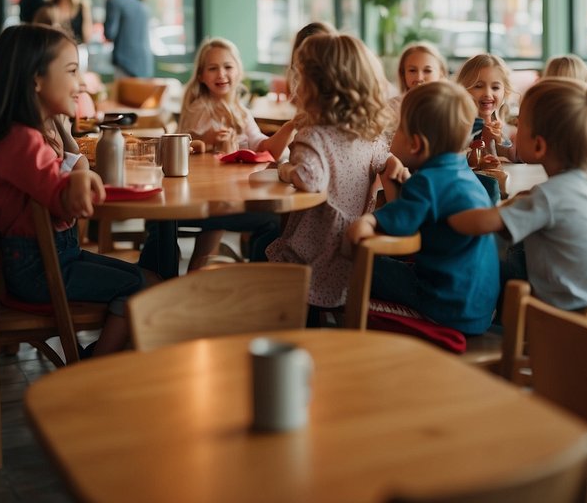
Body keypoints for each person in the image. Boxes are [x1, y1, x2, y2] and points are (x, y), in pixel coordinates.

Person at [0, 24, 146, 357]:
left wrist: (63, 130)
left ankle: (103, 359)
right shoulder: (21, 141)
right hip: (38, 271)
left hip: (50, 259)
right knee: (146, 288)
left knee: (153, 280)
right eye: (71, 71)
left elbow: (65, 178)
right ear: (35, 80)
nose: (81, 84)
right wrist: (81, 181)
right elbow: (67, 203)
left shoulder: (28, 136)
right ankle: (96, 367)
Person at [446, 78, 587, 311]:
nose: (514, 131)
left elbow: (481, 223)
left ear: (539, 146)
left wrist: (445, 209)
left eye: (520, 124)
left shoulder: (548, 196)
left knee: (473, 270)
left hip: (565, 324)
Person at [344, 81, 499, 335]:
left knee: (359, 267)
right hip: (479, 307)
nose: (393, 135)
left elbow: (400, 225)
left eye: (398, 129)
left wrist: (368, 222)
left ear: (416, 143)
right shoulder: (464, 174)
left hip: (444, 306)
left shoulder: (426, 182)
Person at [267, 33, 397, 313]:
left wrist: (285, 169)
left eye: (300, 77)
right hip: (352, 255)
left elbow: (310, 181)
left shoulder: (313, 137)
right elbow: (386, 163)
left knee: (262, 257)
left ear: (317, 87)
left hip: (314, 254)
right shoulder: (369, 136)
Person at [164, 38, 294, 272]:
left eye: (227, 67)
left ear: (238, 71)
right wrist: (210, 141)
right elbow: (187, 142)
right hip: (202, 200)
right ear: (202, 76)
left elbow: (265, 148)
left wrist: (288, 128)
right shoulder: (200, 108)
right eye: (213, 68)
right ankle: (255, 280)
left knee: (258, 222)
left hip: (226, 196)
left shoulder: (240, 111)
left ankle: (225, 274)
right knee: (271, 221)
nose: (221, 74)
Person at [456, 53, 517, 164]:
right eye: (478, 86)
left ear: (505, 92)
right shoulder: (457, 131)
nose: (488, 94)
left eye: (495, 87)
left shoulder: (505, 132)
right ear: (462, 90)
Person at [104, 0, 153, 78]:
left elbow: (110, 34)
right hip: (145, 63)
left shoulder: (115, 2)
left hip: (124, 62)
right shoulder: (141, 2)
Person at [388, 41, 448, 116]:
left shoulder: (449, 107)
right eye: (412, 70)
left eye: (427, 70)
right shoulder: (392, 107)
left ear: (441, 73)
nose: (419, 78)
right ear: (403, 73)